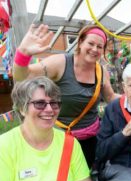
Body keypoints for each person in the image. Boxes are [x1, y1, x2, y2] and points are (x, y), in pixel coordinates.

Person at [12, 23, 119, 168]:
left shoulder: (102, 71)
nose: (95, 49)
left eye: (99, 47)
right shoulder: (60, 62)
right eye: (91, 43)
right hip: (58, 138)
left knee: (86, 178)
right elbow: (23, 76)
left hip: (90, 139)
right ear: (80, 42)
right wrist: (23, 53)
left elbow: (111, 97)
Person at [0, 76, 94, 181]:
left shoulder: (69, 143)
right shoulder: (5, 147)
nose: (49, 109)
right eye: (40, 103)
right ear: (22, 108)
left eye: (54, 103)